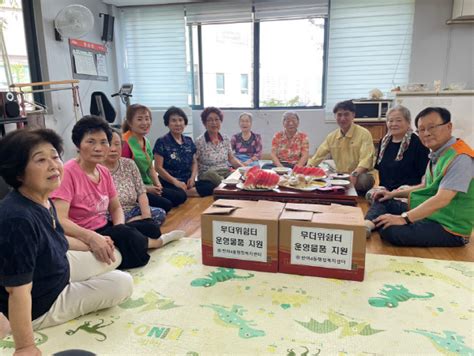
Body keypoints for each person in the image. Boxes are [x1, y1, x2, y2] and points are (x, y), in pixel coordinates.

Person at [0, 128, 133, 354]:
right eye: (41, 160)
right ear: (19, 173)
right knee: (123, 283)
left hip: (57, 268)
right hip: (43, 302)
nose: (53, 165)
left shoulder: (42, 198)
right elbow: (18, 291)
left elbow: (57, 239)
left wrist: (94, 243)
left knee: (113, 256)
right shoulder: (17, 219)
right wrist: (25, 346)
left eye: (54, 156)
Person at [51, 116, 184, 270]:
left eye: (103, 142)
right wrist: (93, 237)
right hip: (82, 234)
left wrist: (119, 227)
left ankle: (122, 246)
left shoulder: (103, 171)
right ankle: (156, 243)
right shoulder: (68, 173)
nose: (98, 148)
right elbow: (60, 220)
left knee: (150, 228)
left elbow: (115, 207)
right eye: (91, 142)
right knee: (130, 239)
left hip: (105, 227)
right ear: (78, 144)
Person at [371, 107, 473, 247]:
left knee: (390, 230)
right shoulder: (437, 153)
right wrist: (392, 194)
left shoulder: (460, 157)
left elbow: (442, 199)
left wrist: (404, 219)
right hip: (431, 214)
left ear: (449, 127)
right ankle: (367, 225)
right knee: (382, 199)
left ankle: (374, 224)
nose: (426, 134)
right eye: (422, 130)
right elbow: (426, 186)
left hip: (448, 227)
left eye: (432, 127)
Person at [364, 105, 430, 237]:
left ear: (408, 122)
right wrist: (386, 191)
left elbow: (425, 176)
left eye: (398, 120)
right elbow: (380, 170)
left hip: (408, 190)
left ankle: (367, 224)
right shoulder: (384, 142)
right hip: (386, 189)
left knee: (383, 200)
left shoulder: (418, 143)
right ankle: (386, 216)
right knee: (374, 195)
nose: (393, 124)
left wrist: (396, 192)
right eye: (390, 120)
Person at [122, 104, 184, 212]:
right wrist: (146, 189)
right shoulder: (124, 143)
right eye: (140, 119)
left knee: (181, 196)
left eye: (147, 119)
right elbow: (124, 178)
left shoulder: (146, 140)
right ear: (130, 122)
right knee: (167, 205)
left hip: (148, 184)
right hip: (134, 189)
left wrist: (158, 185)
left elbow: (151, 167)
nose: (145, 123)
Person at [308, 100, 375, 194]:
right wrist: (307, 169)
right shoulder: (331, 136)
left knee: (364, 182)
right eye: (339, 115)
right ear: (335, 116)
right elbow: (318, 156)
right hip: (339, 175)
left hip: (359, 174)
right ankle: (340, 188)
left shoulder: (364, 133)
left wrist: (354, 175)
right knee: (318, 176)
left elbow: (366, 160)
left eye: (346, 114)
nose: (342, 118)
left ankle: (344, 189)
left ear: (353, 115)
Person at [104, 128, 166, 226]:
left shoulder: (129, 164)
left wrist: (146, 217)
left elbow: (141, 192)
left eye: (117, 144)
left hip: (132, 209)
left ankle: (131, 226)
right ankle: (129, 228)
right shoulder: (97, 169)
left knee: (159, 213)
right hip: (111, 216)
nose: (113, 149)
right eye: (109, 144)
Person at [154, 106, 213, 199]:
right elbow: (158, 167)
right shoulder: (162, 141)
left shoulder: (188, 141)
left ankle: (186, 193)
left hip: (187, 181)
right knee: (178, 196)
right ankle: (187, 193)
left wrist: (193, 177)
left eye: (180, 120)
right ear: (168, 123)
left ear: (184, 123)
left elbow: (194, 162)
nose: (178, 124)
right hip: (169, 183)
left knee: (211, 185)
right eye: (173, 120)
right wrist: (175, 182)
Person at [195, 107, 243, 195]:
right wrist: (191, 178)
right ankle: (227, 188)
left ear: (220, 122)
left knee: (238, 176)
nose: (214, 123)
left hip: (224, 171)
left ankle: (226, 187)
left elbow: (231, 158)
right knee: (213, 175)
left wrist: (242, 168)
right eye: (210, 120)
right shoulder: (200, 141)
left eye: (217, 119)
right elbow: (194, 161)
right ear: (204, 123)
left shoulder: (225, 139)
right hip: (207, 174)